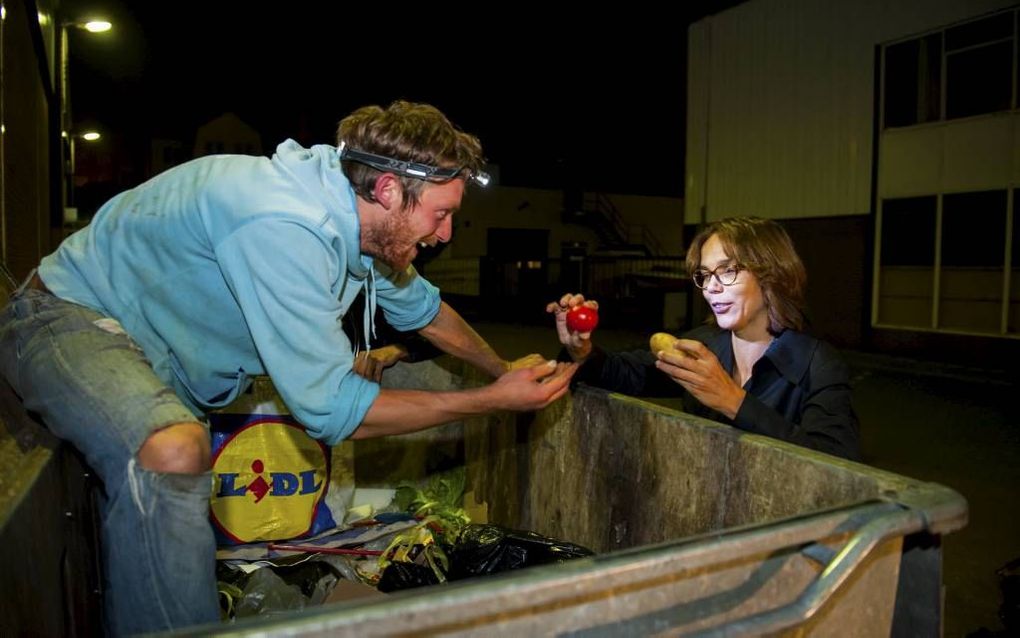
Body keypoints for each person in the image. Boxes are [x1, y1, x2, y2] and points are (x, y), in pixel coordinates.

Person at [0, 100, 576, 635]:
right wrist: (491, 401)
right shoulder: (285, 223)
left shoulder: (353, 219)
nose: (446, 233)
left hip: (147, 358)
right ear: (387, 189)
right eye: (441, 214)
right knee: (173, 450)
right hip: (63, 319)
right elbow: (331, 408)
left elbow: (425, 311)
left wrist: (500, 367)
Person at [546, 216, 859, 460]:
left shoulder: (818, 364)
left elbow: (838, 461)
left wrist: (733, 401)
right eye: (705, 275)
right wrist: (580, 349)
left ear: (771, 275)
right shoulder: (704, 344)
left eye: (727, 271)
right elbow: (625, 373)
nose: (710, 287)